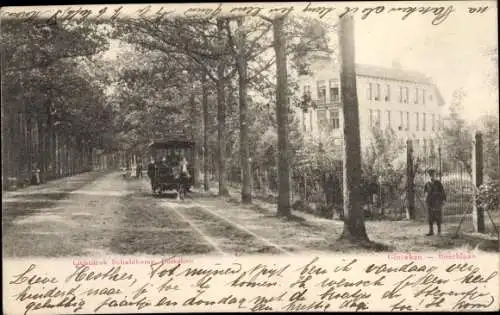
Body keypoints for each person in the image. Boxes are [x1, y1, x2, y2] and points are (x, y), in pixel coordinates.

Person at [424, 168, 446, 236]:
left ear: (435, 175)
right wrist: (425, 198)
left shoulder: (438, 183)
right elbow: (425, 192)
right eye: (430, 175)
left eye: (433, 175)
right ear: (428, 176)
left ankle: (439, 231)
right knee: (430, 217)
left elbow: (442, 192)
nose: (431, 176)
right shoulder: (427, 184)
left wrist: (443, 200)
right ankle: (431, 231)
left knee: (438, 216)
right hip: (430, 202)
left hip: (437, 202)